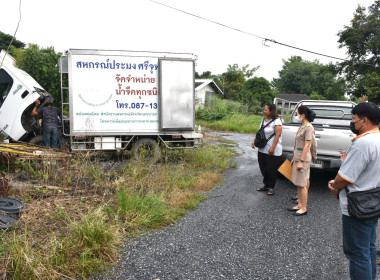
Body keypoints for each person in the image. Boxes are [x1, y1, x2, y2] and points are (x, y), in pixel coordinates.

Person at [328, 102, 380, 280]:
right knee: (369, 247)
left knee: (357, 253)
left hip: (357, 206)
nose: (353, 123)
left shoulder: (362, 143)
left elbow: (345, 178)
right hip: (373, 202)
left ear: (364, 120)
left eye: (354, 119)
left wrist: (334, 185)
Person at [287, 105, 315, 216]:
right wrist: (295, 158)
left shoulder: (308, 127)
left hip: (303, 159)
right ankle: (299, 204)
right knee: (298, 183)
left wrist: (301, 161)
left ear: (303, 115)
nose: (297, 115)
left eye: (298, 113)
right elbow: (298, 144)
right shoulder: (302, 126)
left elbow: (307, 145)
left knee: (302, 184)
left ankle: (304, 208)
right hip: (298, 157)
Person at [251, 103, 282, 195]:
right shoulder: (263, 120)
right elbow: (260, 133)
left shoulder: (277, 122)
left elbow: (277, 136)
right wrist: (254, 141)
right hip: (262, 149)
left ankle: (271, 187)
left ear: (271, 111)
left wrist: (272, 148)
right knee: (263, 168)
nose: (264, 111)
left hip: (272, 150)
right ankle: (266, 185)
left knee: (271, 169)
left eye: (266, 110)